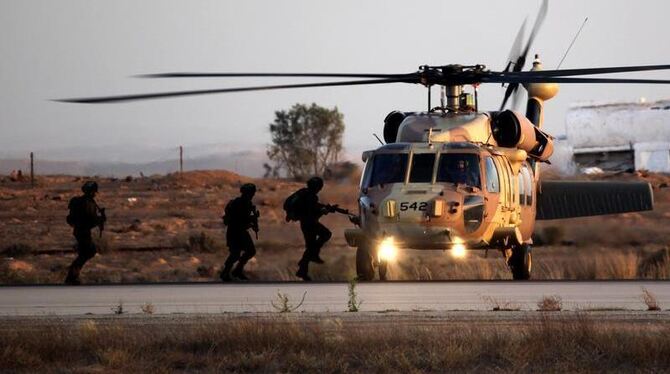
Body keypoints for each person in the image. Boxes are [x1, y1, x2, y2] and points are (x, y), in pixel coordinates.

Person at [65, 181, 106, 285]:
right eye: (94, 191)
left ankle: (73, 275)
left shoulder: (80, 201)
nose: (95, 193)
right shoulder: (88, 203)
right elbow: (90, 220)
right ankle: (72, 276)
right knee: (88, 252)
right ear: (92, 192)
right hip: (83, 231)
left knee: (85, 253)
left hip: (79, 231)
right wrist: (100, 220)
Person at [293, 177, 334, 281]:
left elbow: (314, 207)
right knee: (326, 234)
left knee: (310, 246)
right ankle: (312, 256)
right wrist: (325, 210)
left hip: (305, 223)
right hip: (310, 223)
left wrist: (326, 208)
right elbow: (313, 210)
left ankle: (302, 270)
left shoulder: (306, 194)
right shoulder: (311, 196)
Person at [221, 183, 259, 281]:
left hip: (237, 231)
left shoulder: (243, 203)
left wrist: (253, 220)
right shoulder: (242, 203)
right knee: (237, 253)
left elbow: (249, 217)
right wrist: (252, 221)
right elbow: (242, 219)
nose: (253, 194)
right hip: (236, 232)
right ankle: (228, 272)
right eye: (252, 192)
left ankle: (235, 270)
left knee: (245, 252)